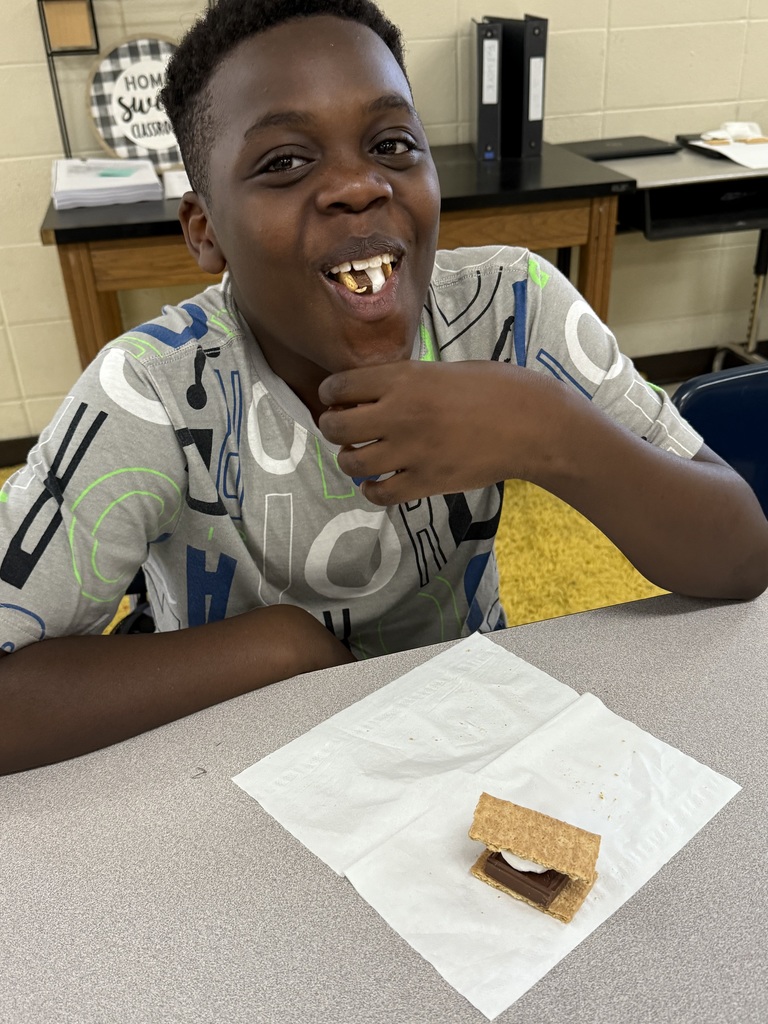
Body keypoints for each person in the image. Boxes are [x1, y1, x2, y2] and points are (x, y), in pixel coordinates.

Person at [1, 0, 767, 776]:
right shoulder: (150, 392)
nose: (359, 186)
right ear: (204, 231)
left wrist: (549, 429)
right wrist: (280, 646)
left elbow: (740, 557)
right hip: (237, 750)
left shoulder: (512, 307)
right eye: (284, 162)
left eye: (392, 144)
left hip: (469, 728)